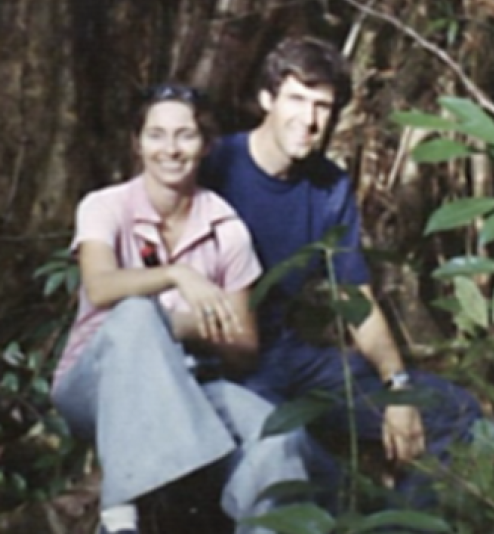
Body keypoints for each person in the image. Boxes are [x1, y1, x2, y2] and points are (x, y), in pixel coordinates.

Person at [201, 36, 482, 509]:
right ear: (267, 99)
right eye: (296, 99)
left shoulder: (327, 185)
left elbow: (358, 299)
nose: (309, 120)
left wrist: (398, 388)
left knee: (455, 411)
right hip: (232, 366)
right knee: (295, 458)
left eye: (322, 107)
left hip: (292, 357)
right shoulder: (217, 166)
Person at [51, 83, 306, 534]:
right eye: (156, 135)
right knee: (135, 315)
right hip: (95, 386)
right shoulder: (105, 206)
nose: (170, 149)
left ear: (206, 145)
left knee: (278, 433)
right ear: (137, 143)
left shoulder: (225, 227)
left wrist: (185, 328)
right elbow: (102, 285)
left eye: (185, 135)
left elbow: (244, 347)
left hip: (186, 388)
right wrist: (177, 278)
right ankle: (121, 515)